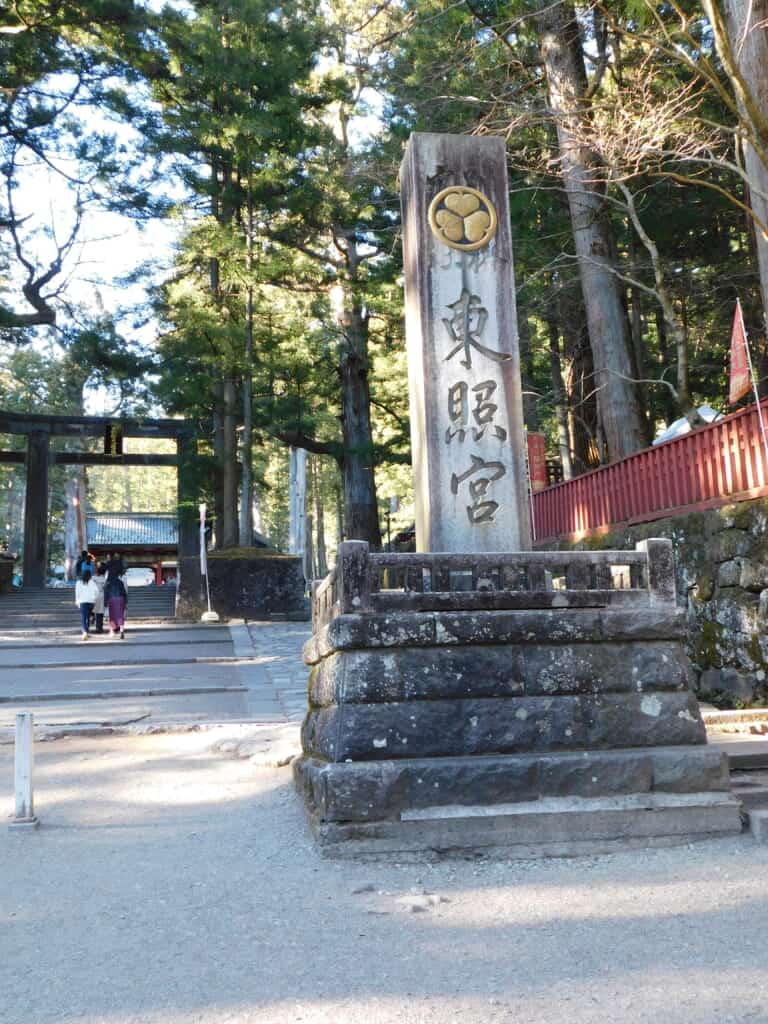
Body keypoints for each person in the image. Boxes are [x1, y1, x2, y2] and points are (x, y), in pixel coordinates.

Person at [75, 568, 98, 640]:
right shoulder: (92, 582)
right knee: (87, 617)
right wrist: (94, 599)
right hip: (91, 602)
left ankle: (85, 632)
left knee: (84, 617)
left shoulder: (79, 583)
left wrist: (77, 601)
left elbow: (77, 593)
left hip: (82, 601)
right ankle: (87, 631)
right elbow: (96, 592)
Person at [105, 574, 128, 639]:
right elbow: (124, 592)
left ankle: (112, 631)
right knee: (120, 616)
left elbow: (106, 592)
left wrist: (105, 603)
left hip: (112, 599)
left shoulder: (109, 582)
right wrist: (126, 602)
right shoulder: (120, 582)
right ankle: (121, 631)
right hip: (120, 599)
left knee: (112, 616)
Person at [92, 562, 107, 633]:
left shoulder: (93, 578)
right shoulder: (104, 579)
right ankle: (99, 627)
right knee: (100, 613)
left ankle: (97, 627)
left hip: (94, 596)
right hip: (102, 595)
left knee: (96, 612)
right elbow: (105, 588)